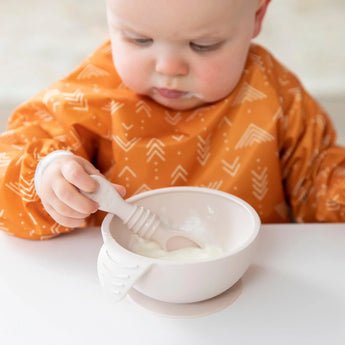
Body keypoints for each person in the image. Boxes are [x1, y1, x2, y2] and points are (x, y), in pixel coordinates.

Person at [0, 0, 344, 240]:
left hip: (252, 282)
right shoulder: (90, 94)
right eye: (139, 39)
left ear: (257, 16)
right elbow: (10, 169)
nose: (168, 67)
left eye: (203, 44)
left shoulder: (275, 91)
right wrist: (45, 179)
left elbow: (316, 179)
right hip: (123, 291)